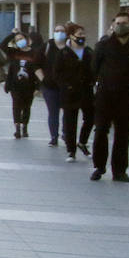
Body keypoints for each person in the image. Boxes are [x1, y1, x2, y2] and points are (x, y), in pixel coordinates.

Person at [91, 11, 129, 182]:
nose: (120, 26)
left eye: (124, 23)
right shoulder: (103, 45)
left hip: (125, 96)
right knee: (101, 130)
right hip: (104, 95)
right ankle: (99, 167)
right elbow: (94, 67)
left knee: (123, 134)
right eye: (118, 23)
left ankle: (120, 171)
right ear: (113, 25)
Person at [57, 22, 95, 163]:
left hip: (86, 91)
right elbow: (58, 73)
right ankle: (71, 150)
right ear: (71, 36)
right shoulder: (64, 53)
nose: (82, 37)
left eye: (83, 34)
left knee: (90, 118)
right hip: (70, 93)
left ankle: (83, 142)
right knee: (70, 122)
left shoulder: (89, 52)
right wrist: (66, 86)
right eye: (79, 35)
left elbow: (95, 70)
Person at [3, 31, 44, 139]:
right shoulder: (14, 52)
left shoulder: (34, 53)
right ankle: (17, 127)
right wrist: (12, 34)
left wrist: (38, 87)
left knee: (26, 107)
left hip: (29, 85)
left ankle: (25, 126)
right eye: (17, 40)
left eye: (21, 38)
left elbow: (39, 69)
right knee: (16, 106)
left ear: (26, 39)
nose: (20, 41)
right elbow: (2, 45)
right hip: (15, 85)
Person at [41, 23, 67, 146]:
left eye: (62, 30)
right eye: (57, 31)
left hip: (67, 86)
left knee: (67, 111)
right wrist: (43, 79)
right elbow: (36, 64)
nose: (59, 33)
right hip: (50, 86)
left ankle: (66, 134)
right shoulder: (47, 46)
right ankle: (54, 136)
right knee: (53, 112)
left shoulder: (69, 46)